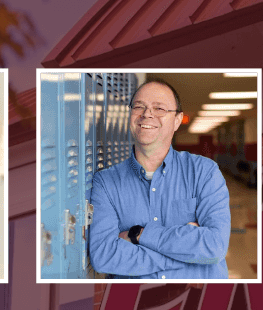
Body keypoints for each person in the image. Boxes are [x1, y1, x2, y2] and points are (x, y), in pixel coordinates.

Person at [88, 79, 230, 279]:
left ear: (177, 120)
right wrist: (185, 256)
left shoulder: (204, 172)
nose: (147, 114)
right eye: (139, 106)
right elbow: (104, 256)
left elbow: (214, 245)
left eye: (160, 108)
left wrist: (139, 235)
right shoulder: (106, 182)